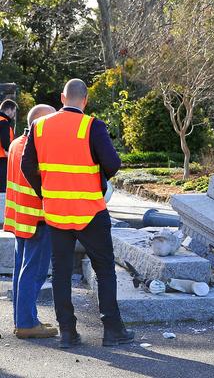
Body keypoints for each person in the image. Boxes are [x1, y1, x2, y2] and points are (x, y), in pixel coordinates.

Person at [21, 79, 134, 348]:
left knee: (60, 273)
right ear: (85, 100)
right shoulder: (92, 126)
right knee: (105, 270)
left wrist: (45, 192)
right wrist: (97, 179)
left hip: (57, 212)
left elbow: (27, 167)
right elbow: (113, 164)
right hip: (90, 211)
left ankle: (68, 333)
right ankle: (112, 331)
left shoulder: (39, 126)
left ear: (62, 97)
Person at [3, 104, 58, 339]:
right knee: (34, 273)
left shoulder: (17, 144)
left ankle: (25, 318)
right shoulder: (40, 149)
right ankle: (26, 323)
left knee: (21, 271)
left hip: (20, 220)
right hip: (37, 221)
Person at [0, 99, 18, 194]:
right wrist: (8, 150)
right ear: (8, 110)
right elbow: (5, 141)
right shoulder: (4, 122)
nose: (13, 115)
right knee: (2, 188)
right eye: (13, 111)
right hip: (2, 158)